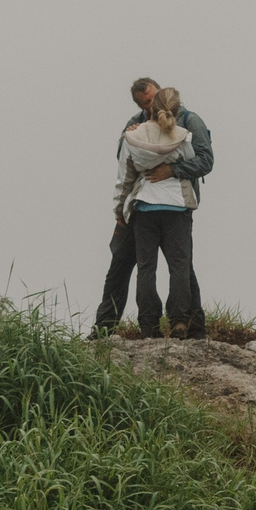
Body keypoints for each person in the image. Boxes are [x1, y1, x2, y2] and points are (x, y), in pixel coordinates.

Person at [94, 76, 212, 336]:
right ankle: (104, 327)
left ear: (159, 94)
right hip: (141, 203)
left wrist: (172, 169)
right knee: (122, 263)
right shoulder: (134, 125)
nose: (151, 106)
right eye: (145, 103)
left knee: (179, 266)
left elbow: (206, 161)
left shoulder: (190, 121)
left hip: (162, 203)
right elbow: (124, 158)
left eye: (152, 99)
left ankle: (192, 325)